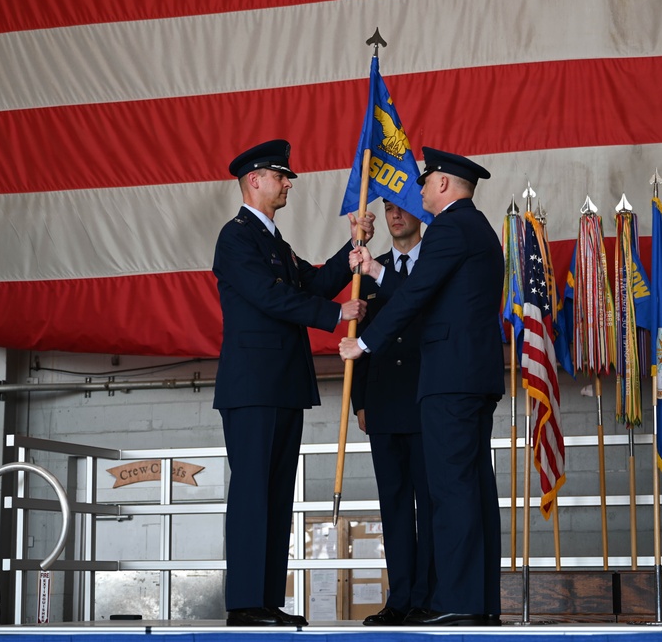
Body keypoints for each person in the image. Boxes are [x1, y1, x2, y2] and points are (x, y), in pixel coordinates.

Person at [339, 147, 504, 626]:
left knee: (451, 492)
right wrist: (373, 271)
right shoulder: (476, 228)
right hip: (471, 376)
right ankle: (479, 601)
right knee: (473, 489)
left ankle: (456, 601)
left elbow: (417, 293)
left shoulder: (450, 227)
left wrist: (363, 344)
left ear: (446, 186)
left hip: (450, 379)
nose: (422, 189)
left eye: (428, 181)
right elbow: (431, 287)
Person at [213, 139, 374, 627]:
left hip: (279, 384)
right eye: (281, 176)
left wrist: (353, 249)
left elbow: (312, 281)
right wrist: (333, 315)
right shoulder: (236, 237)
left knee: (277, 495)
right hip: (252, 386)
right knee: (252, 495)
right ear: (254, 180)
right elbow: (268, 296)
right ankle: (244, 602)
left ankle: (264, 600)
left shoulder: (274, 243)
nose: (288, 183)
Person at [350, 200, 435, 626]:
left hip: (424, 402)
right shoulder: (370, 268)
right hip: (383, 404)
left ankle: (426, 596)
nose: (395, 216)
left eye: (403, 207)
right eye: (388, 209)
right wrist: (360, 401)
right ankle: (400, 597)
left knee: (430, 503)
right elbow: (360, 336)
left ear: (419, 213)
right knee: (395, 506)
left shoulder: (435, 263)